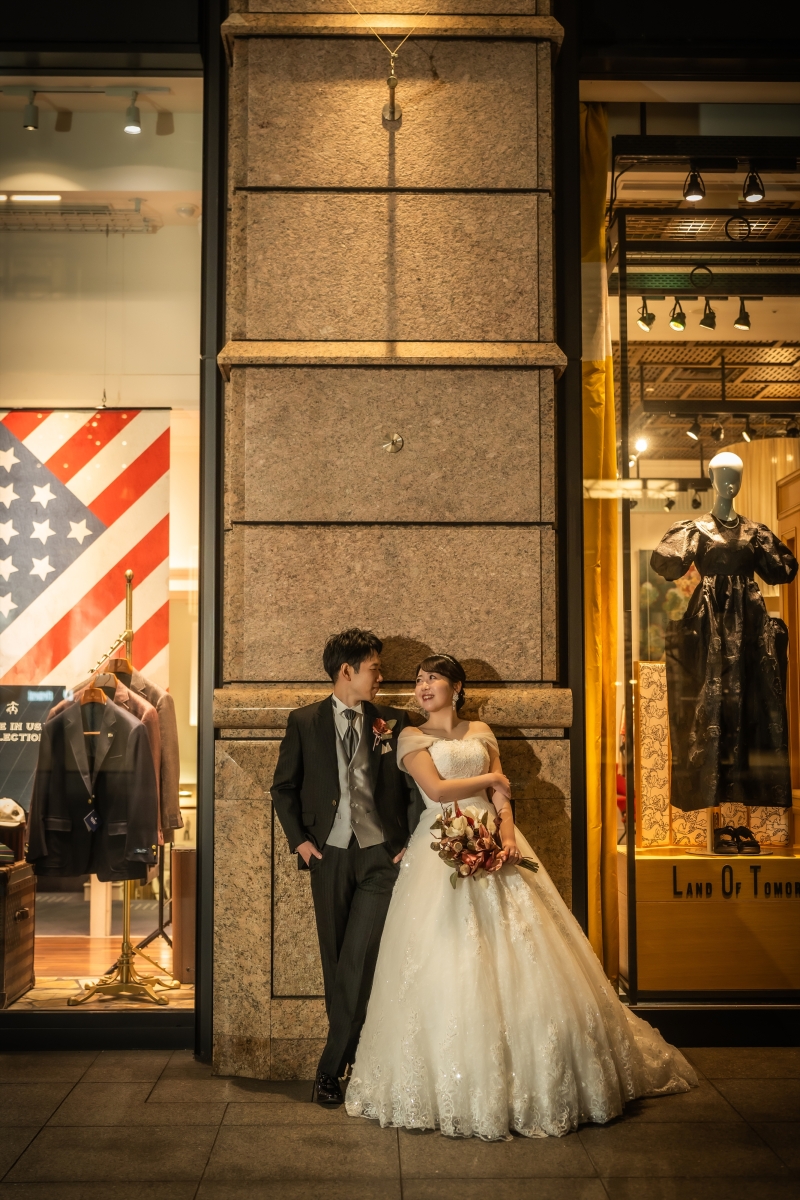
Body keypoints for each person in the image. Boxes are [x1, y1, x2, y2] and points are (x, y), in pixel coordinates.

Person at [345, 653, 697, 1140]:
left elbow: (503, 797)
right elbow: (438, 789)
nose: (423, 687)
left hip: (493, 838)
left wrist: (507, 835)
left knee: (523, 944)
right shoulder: (410, 735)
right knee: (445, 953)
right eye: (420, 680)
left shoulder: (482, 730)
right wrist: (490, 780)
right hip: (440, 842)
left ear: (457, 687)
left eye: (434, 680)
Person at [271, 628, 422, 1106]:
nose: (381, 676)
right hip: (329, 855)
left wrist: (409, 844)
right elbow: (283, 788)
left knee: (357, 960)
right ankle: (352, 1056)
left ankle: (327, 1070)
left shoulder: (395, 722)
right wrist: (301, 843)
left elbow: (416, 789)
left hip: (381, 857)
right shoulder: (304, 721)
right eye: (375, 668)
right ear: (346, 671)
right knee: (337, 963)